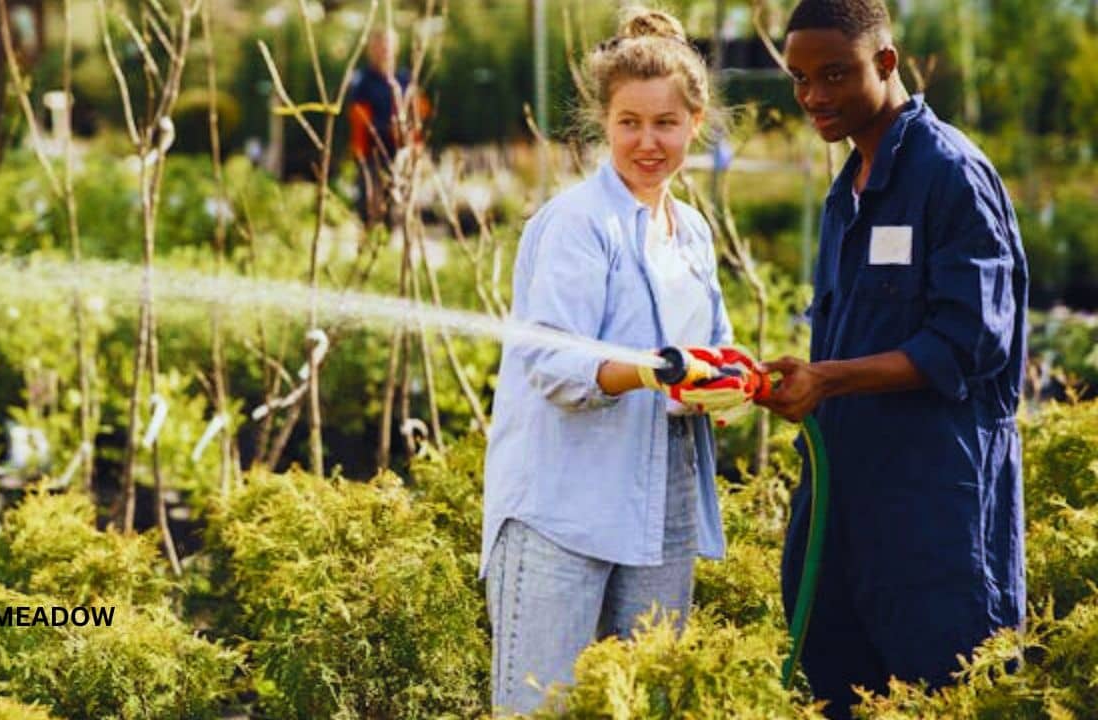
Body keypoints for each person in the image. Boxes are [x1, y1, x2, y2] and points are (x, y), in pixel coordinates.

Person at [480, 8, 758, 715]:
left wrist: (732, 382)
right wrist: (653, 370)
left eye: (665, 123)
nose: (647, 141)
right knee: (540, 707)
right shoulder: (578, 224)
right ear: (603, 122)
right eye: (629, 122)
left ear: (695, 123)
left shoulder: (690, 231)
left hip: (659, 509)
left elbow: (711, 347)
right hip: (562, 514)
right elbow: (554, 365)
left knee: (647, 703)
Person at [757, 1, 1029, 717]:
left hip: (935, 517)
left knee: (949, 693)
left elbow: (969, 343)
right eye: (799, 78)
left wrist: (828, 379)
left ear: (886, 62)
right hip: (847, 510)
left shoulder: (950, 176)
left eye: (834, 74)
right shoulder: (844, 195)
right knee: (837, 690)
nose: (813, 95)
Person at [346, 27, 427, 228]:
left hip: (400, 153)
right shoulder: (362, 81)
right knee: (370, 206)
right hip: (372, 154)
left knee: (398, 208)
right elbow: (359, 119)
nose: (382, 51)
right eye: (378, 46)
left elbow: (418, 113)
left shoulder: (405, 79)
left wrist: (413, 143)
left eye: (387, 46)